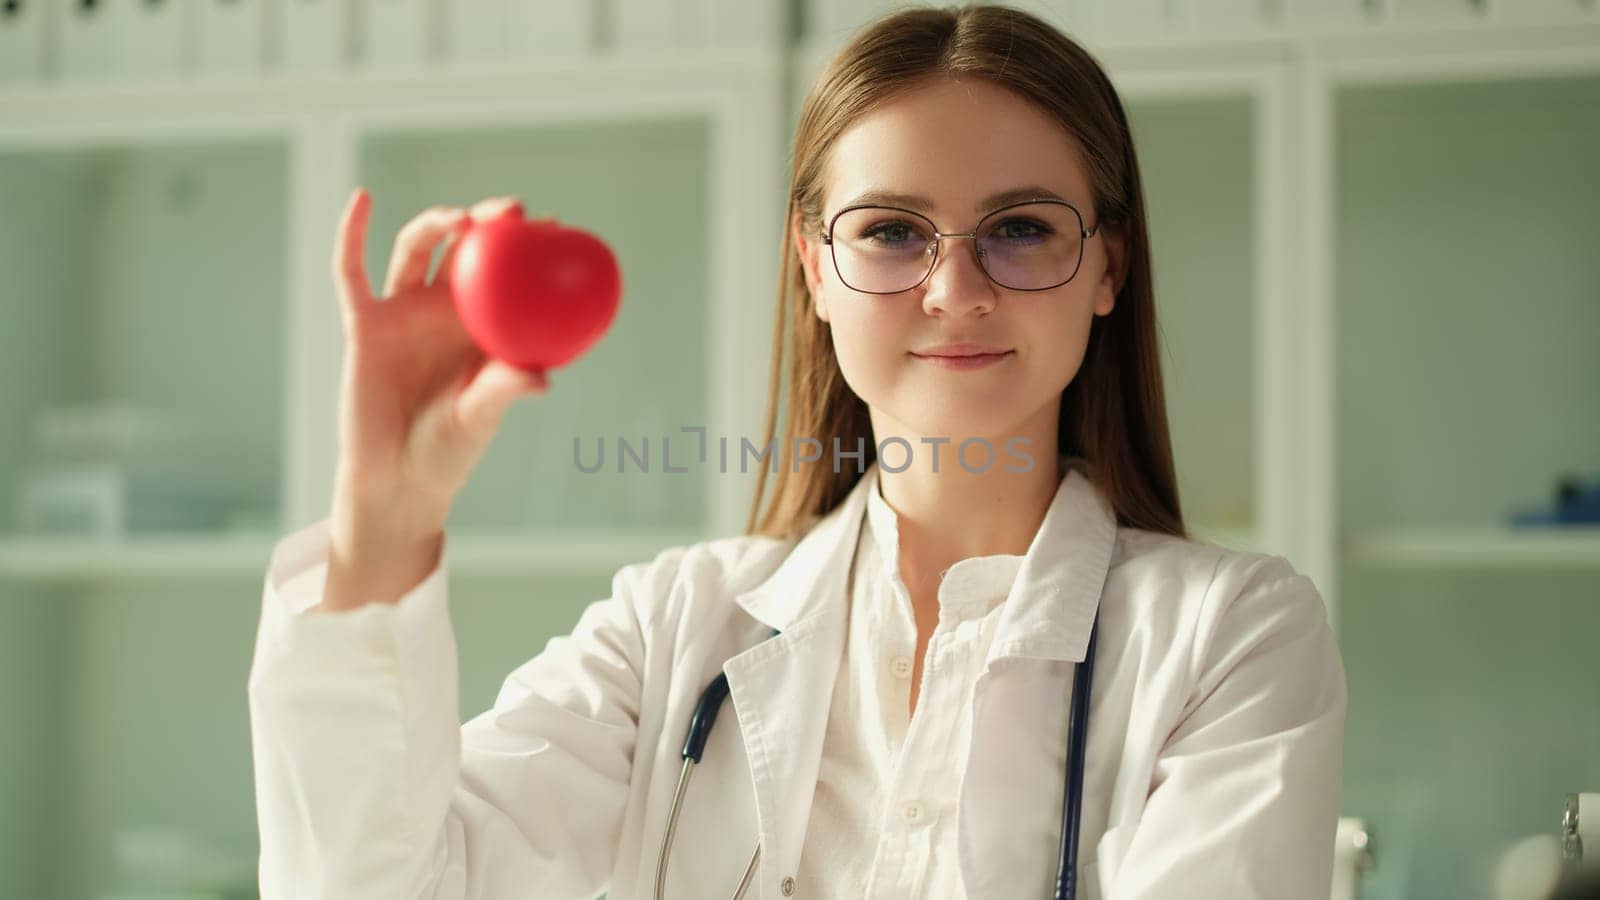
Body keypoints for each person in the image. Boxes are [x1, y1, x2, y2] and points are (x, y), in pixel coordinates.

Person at [246, 5, 1347, 899]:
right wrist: (382, 527)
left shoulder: (1230, 640)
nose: (954, 290)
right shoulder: (671, 631)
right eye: (889, 231)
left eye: (1019, 228)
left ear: (1107, 268)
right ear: (811, 269)